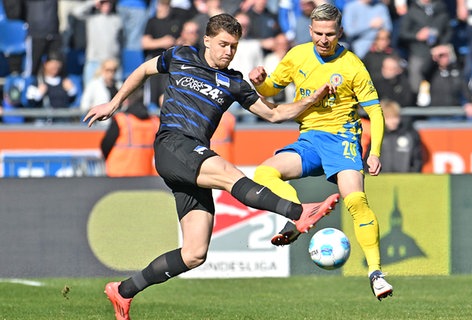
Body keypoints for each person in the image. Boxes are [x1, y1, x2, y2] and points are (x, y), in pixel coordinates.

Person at [83, 13, 339, 320]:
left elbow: (274, 114)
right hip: (172, 144)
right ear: (206, 40)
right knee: (232, 175)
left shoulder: (234, 82)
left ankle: (123, 291)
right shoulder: (180, 55)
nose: (228, 51)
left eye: (233, 46)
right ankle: (298, 213)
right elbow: (143, 70)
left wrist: (313, 99)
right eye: (222, 44)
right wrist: (114, 102)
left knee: (194, 254)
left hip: (193, 158)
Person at [248, 3, 394, 301]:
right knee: (264, 172)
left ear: (339, 32)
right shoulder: (297, 55)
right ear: (309, 30)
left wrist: (375, 151)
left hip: (342, 139)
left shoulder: (353, 65)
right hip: (309, 140)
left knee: (356, 201)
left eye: (330, 34)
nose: (324, 39)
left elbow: (376, 113)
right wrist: (259, 80)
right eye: (318, 33)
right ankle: (298, 213)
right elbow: (271, 89)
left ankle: (376, 273)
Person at [101, 86, 160, 177]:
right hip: (147, 178)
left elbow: (105, 146)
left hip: (118, 176)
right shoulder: (155, 122)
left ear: (126, 100)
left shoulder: (121, 120)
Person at [398, 0, 453, 95]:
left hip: (437, 53)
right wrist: (417, 36)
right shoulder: (412, 11)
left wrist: (442, 45)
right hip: (418, 52)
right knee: (416, 80)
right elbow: (402, 33)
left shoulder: (441, 9)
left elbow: (449, 31)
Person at [71, 0, 123, 85]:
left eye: (108, 3)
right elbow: (76, 12)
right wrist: (93, 2)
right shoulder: (91, 19)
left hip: (112, 62)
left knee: (115, 93)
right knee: (91, 90)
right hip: (94, 62)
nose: (106, 5)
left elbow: (120, 42)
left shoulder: (117, 20)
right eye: (103, 3)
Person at [371, 99, 424, 172]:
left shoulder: (409, 134)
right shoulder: (377, 135)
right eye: (389, 118)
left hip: (406, 178)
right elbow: (370, 158)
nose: (393, 121)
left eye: (395, 117)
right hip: (382, 177)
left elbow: (417, 159)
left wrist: (413, 173)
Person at [25, 53, 78, 124]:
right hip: (44, 122)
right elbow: (30, 103)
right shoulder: (37, 82)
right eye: (52, 63)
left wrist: (72, 91)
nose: (55, 66)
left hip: (62, 122)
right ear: (45, 64)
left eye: (57, 64)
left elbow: (71, 101)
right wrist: (39, 94)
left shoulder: (65, 82)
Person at [80, 58, 122, 125]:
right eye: (108, 70)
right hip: (100, 124)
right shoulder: (94, 84)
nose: (111, 73)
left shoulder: (119, 85)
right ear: (102, 70)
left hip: (117, 123)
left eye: (113, 70)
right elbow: (84, 105)